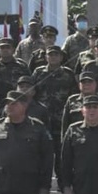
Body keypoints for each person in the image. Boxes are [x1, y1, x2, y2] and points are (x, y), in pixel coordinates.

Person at [31, 45, 78, 182]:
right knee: (40, 152)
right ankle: (40, 182)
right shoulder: (38, 73)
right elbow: (31, 93)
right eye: (50, 55)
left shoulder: (68, 74)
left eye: (56, 55)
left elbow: (74, 97)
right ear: (46, 57)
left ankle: (62, 181)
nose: (53, 57)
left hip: (60, 120)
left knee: (61, 152)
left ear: (61, 57)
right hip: (41, 121)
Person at [0, 37, 31, 120]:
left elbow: (29, 88)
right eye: (2, 47)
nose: (5, 50)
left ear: (13, 49)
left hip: (17, 107)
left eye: (8, 47)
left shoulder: (22, 66)